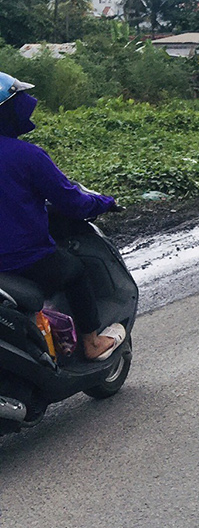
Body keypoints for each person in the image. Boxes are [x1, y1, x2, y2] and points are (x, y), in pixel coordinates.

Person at [0, 73, 123, 361]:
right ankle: (92, 343)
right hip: (24, 260)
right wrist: (104, 203)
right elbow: (73, 202)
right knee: (75, 271)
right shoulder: (27, 156)